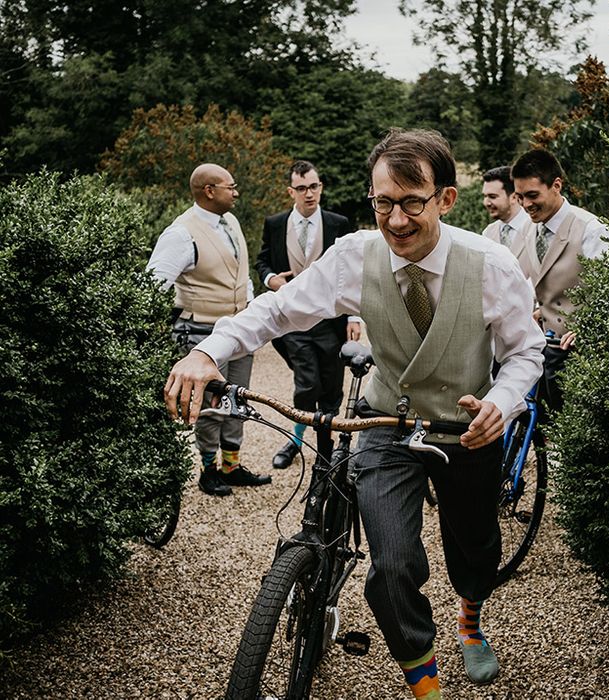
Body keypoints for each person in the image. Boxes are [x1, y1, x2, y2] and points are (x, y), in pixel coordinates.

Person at [164, 129, 544, 699]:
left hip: (467, 428)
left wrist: (500, 403)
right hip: (386, 426)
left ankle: (470, 615)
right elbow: (275, 311)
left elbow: (525, 351)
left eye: (412, 201)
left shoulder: (489, 264)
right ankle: (427, 686)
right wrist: (206, 351)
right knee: (390, 570)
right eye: (383, 202)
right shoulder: (352, 257)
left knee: (476, 549)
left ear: (445, 198)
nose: (395, 220)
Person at [147, 163, 271, 496]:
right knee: (209, 404)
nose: (236, 192)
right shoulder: (180, 234)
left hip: (238, 329)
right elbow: (153, 283)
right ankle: (208, 469)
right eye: (231, 186)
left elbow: (240, 274)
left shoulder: (230, 221)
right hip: (200, 330)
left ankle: (231, 466)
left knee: (238, 399)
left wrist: (250, 306)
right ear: (209, 191)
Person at [256, 160, 360, 469]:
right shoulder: (275, 224)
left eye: (314, 187)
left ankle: (326, 452)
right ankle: (297, 440)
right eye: (301, 188)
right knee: (307, 385)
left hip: (331, 319)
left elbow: (354, 271)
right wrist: (271, 279)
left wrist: (355, 316)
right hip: (292, 317)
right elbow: (263, 261)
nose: (309, 194)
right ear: (292, 191)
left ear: (321, 188)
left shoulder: (338, 223)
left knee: (331, 387)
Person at [511, 148, 609, 412]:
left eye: (533, 195)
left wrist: (588, 328)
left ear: (556, 185)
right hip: (542, 348)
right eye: (520, 197)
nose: (526, 205)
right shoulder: (526, 228)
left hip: (581, 353)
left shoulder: (591, 229)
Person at [480, 165, 529, 256]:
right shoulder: (488, 233)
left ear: (514, 197)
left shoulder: (536, 228)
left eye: (492, 197)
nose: (486, 202)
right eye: (485, 196)